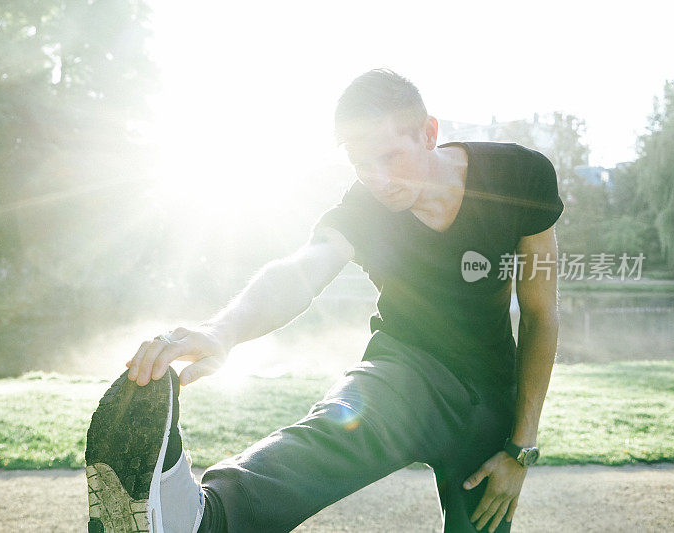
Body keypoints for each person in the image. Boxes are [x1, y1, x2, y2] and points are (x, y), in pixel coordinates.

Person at [84, 68, 563, 533]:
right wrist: (221, 331)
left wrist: (521, 447)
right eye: (360, 163)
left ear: (428, 133)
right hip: (404, 371)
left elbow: (541, 314)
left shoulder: (518, 176)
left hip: (489, 396)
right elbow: (299, 273)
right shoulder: (363, 210)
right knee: (334, 428)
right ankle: (206, 520)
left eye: (390, 157)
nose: (377, 178)